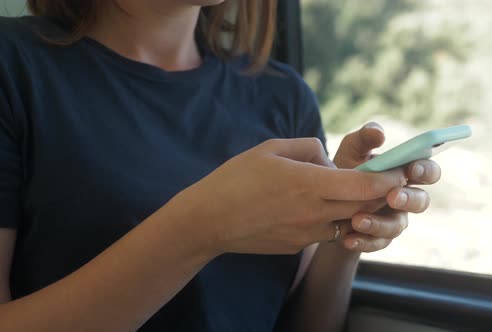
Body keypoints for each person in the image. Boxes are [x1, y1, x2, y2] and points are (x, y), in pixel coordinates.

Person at [0, 0, 441, 331]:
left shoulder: (283, 97)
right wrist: (200, 228)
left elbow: (304, 324)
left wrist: (349, 229)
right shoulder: (13, 65)